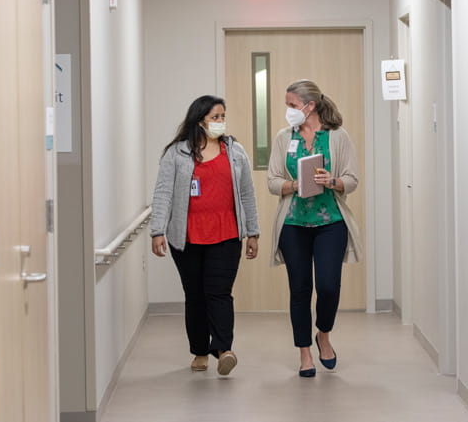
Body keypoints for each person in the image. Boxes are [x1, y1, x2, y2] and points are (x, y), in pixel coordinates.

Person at [149, 95, 260, 376]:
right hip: (186, 236)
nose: (221, 122)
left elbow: (247, 194)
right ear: (199, 121)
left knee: (220, 293)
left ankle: (224, 349)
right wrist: (157, 230)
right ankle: (200, 350)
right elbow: (163, 193)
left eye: (223, 116)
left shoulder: (235, 152)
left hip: (226, 233)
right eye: (215, 117)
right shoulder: (177, 153)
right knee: (195, 295)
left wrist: (253, 232)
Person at [267, 79, 362, 377]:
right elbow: (271, 181)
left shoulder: (337, 137)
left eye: (292, 105)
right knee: (299, 290)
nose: (288, 111)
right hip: (293, 224)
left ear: (309, 106)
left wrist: (331, 181)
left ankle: (323, 334)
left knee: (329, 286)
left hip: (329, 223)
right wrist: (292, 184)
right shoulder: (284, 137)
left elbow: (352, 179)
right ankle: (304, 354)